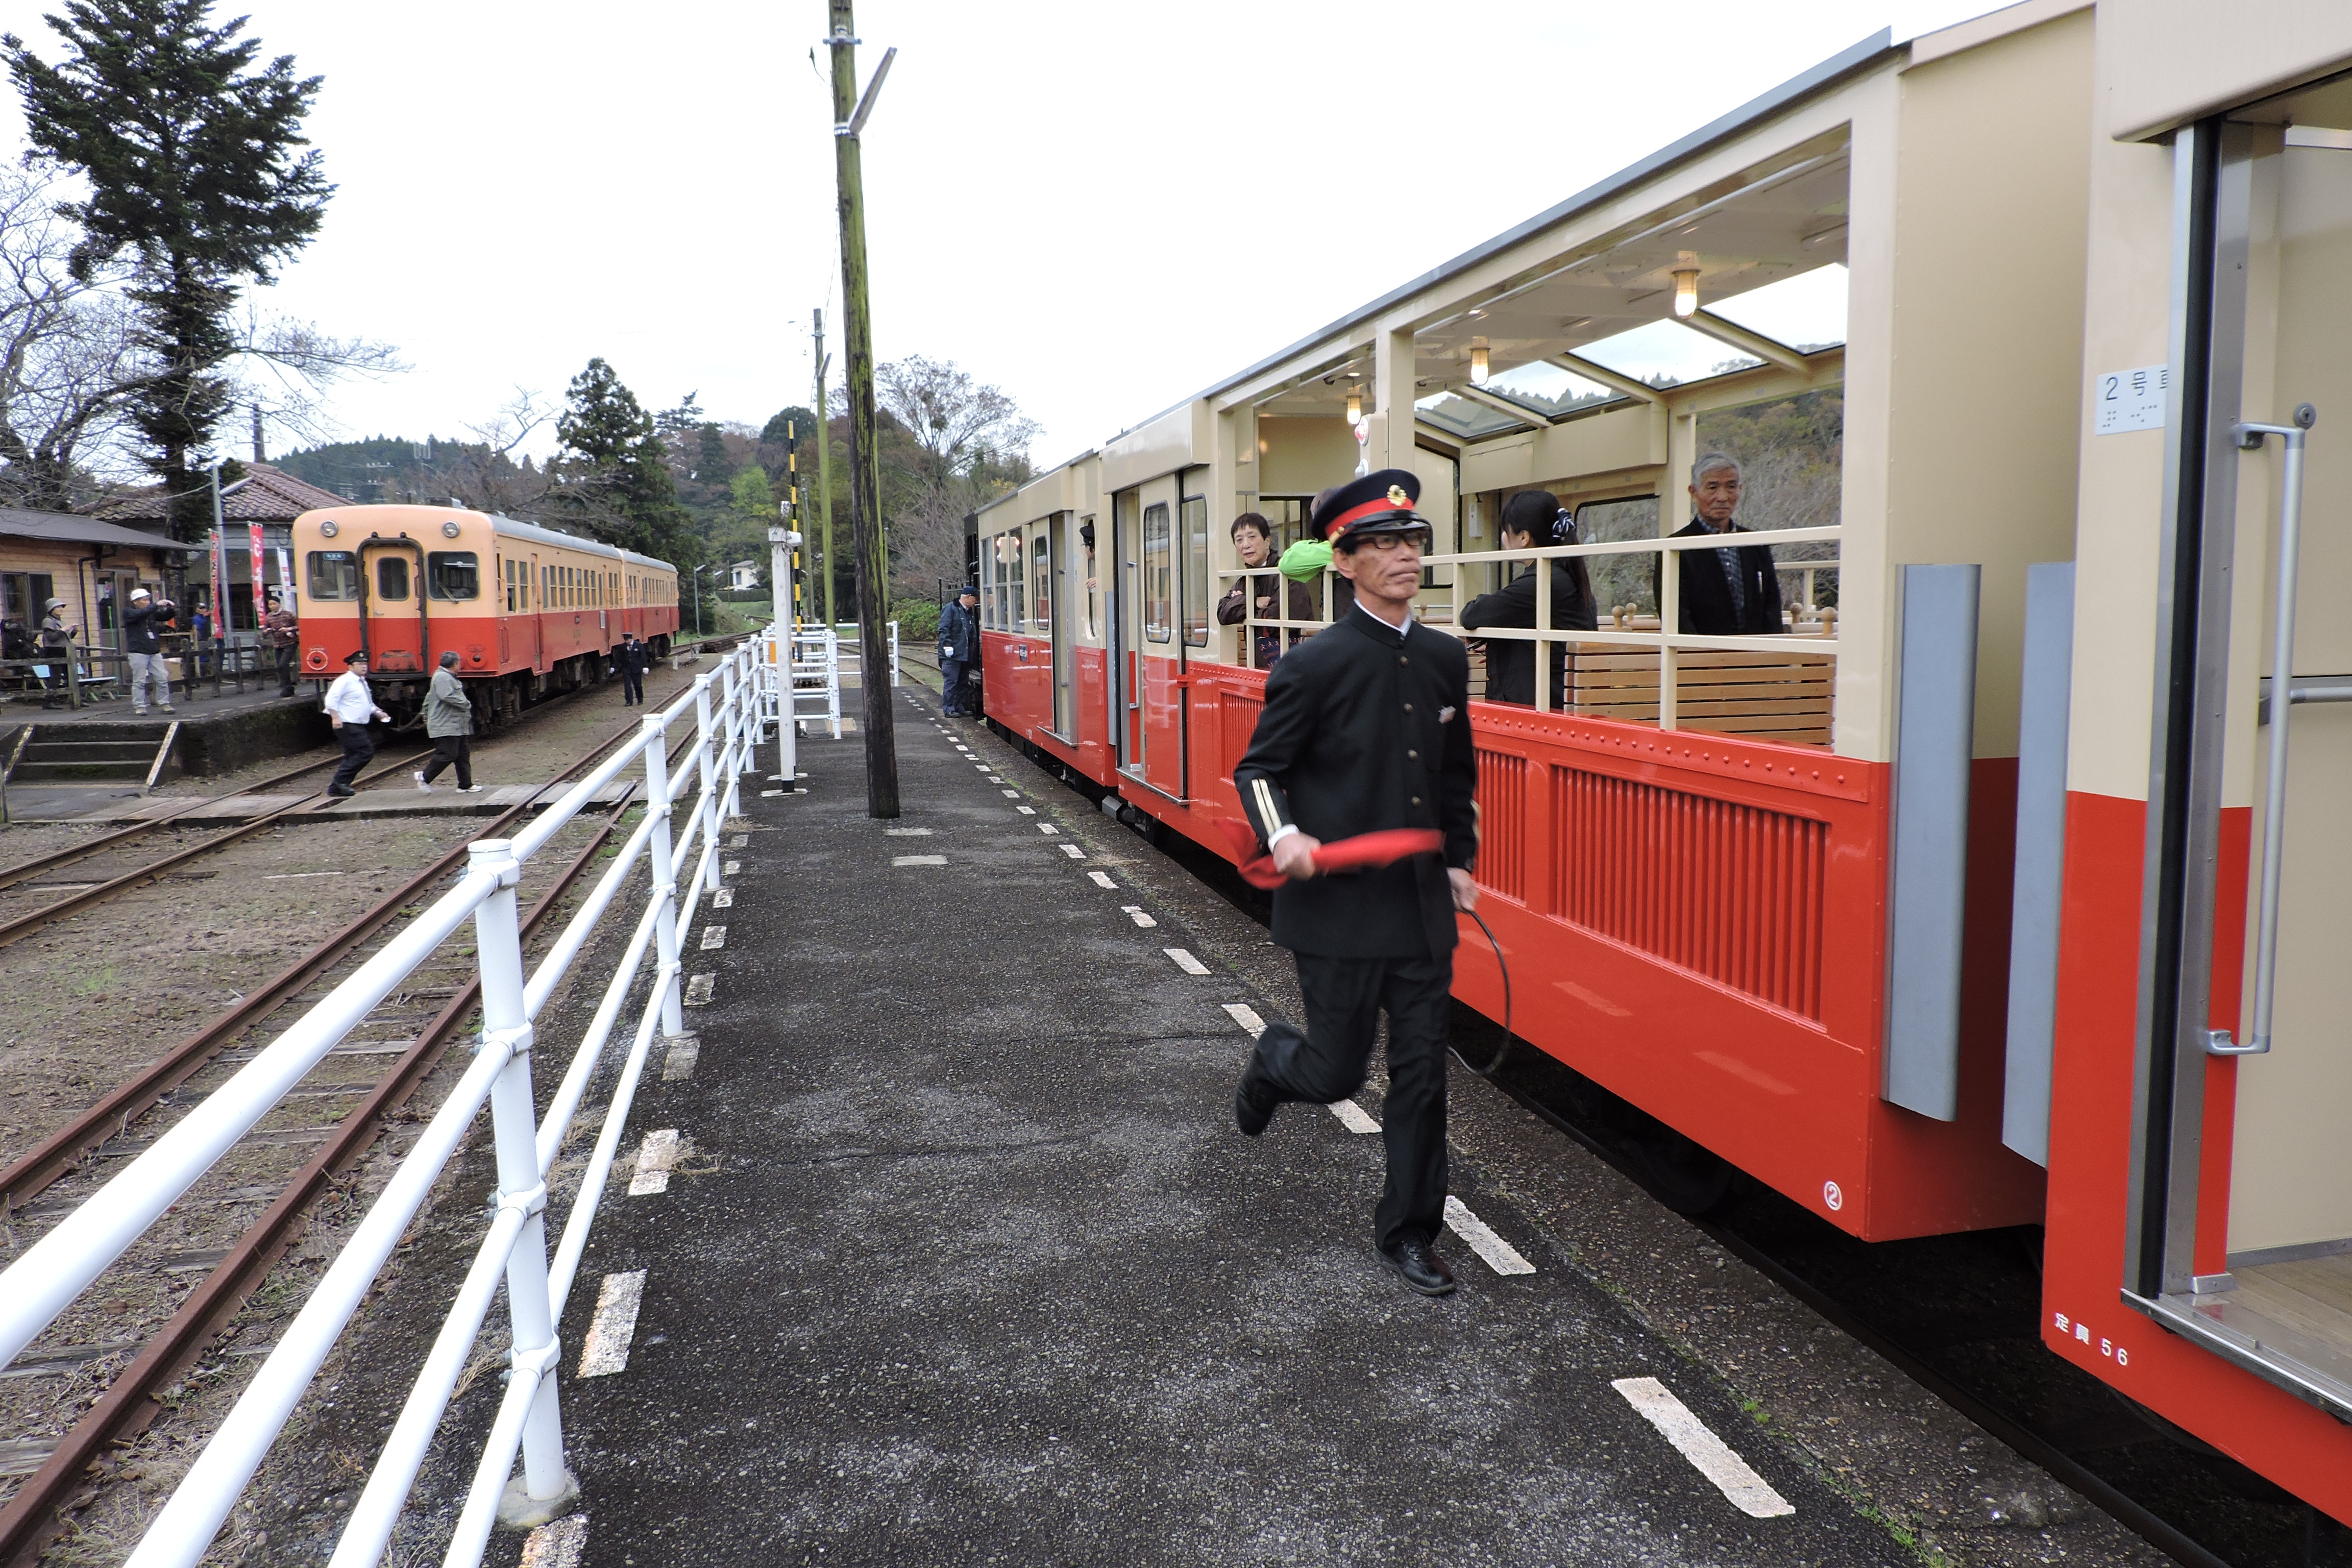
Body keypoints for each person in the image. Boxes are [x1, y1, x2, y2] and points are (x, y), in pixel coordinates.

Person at [1230, 469, 1480, 1298]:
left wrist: (1458, 859)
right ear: (1344, 562)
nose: (1404, 556)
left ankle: (1408, 1231)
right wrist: (1285, 834)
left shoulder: (1444, 658)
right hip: (1336, 911)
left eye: (1411, 541)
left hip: (1418, 909)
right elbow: (1258, 770)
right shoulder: (1315, 665)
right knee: (1335, 1072)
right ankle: (1274, 1062)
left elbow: (1454, 775)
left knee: (1421, 1076)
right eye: (1382, 544)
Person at [1460, 490, 1597, 708]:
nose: (1504, 538)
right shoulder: (1565, 575)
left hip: (1543, 703)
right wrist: (1499, 647)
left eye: (1506, 531)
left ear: (1524, 538)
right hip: (1560, 697)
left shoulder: (1542, 581)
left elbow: (1472, 614)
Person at [1654, 452, 1783, 635]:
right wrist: (1695, 651)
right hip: (1703, 650)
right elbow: (1677, 616)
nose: (1722, 497)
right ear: (1694, 492)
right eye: (1712, 488)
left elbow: (1772, 605)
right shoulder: (1676, 548)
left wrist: (1773, 648)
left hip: (1755, 649)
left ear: (1740, 489)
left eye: (1731, 487)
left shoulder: (1756, 543)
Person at [1216, 512, 1316, 670]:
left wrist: (1242, 606)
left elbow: (1275, 620)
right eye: (1239, 540)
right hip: (1260, 664)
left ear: (1267, 541)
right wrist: (1255, 602)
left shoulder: (1287, 573)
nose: (1245, 545)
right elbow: (1223, 613)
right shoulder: (1245, 580)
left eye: (1252, 537)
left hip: (1292, 665)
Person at [322, 650, 389, 799]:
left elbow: (367, 703)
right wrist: (335, 717)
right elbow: (331, 700)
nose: (364, 667)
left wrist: (378, 712)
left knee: (352, 754)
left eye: (365, 664)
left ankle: (336, 788)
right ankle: (340, 782)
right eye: (360, 664)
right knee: (365, 751)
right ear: (351, 666)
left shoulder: (362, 682)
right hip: (347, 723)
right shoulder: (344, 681)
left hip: (357, 723)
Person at [414, 651, 481, 793]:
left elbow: (429, 697)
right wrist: (466, 704)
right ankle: (425, 777)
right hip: (446, 723)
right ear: (455, 664)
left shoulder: (445, 676)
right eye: (459, 662)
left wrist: (425, 712)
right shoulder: (443, 677)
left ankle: (465, 784)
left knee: (463, 755)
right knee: (448, 753)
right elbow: (447, 696)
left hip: (456, 724)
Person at [121, 586, 177, 716]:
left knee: (162, 678)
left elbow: (164, 616)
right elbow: (140, 614)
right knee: (139, 681)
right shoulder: (129, 612)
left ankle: (165, 703)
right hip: (138, 651)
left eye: (148, 600)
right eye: (145, 600)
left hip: (153, 650)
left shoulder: (150, 612)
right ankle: (140, 706)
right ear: (136, 602)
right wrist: (156, 605)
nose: (148, 602)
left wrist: (171, 608)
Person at [939, 584, 979, 716]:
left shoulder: (967, 612)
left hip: (964, 653)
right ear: (968, 597)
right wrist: (947, 645)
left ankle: (958, 706)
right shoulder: (951, 609)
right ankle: (949, 708)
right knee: (951, 682)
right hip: (953, 654)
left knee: (962, 682)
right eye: (975, 599)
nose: (975, 602)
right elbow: (944, 628)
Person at [36, 597, 75, 708]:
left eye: (62, 607)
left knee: (71, 675)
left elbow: (66, 637)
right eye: (58, 607)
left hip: (64, 650)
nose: (61, 609)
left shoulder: (60, 621)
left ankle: (75, 698)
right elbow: (51, 638)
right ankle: (49, 701)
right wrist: (63, 630)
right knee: (56, 676)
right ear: (52, 609)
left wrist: (73, 631)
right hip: (54, 651)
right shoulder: (48, 621)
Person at [261, 591, 300, 697]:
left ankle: (286, 688)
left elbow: (299, 625)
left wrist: (289, 629)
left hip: (290, 642)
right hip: (277, 644)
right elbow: (265, 628)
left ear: (279, 604)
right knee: (279, 666)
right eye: (270, 605)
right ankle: (288, 687)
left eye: (274, 604)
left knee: (284, 664)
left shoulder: (288, 614)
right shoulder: (269, 617)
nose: (273, 606)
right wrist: (267, 631)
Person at [617, 631, 650, 706]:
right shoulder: (622, 647)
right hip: (627, 669)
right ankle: (629, 701)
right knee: (627, 685)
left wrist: (645, 666)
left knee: (638, 685)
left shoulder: (639, 645)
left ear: (631, 639)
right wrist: (614, 667)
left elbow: (643, 656)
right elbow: (618, 658)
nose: (627, 642)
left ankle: (640, 699)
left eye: (628, 640)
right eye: (626, 640)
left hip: (637, 669)